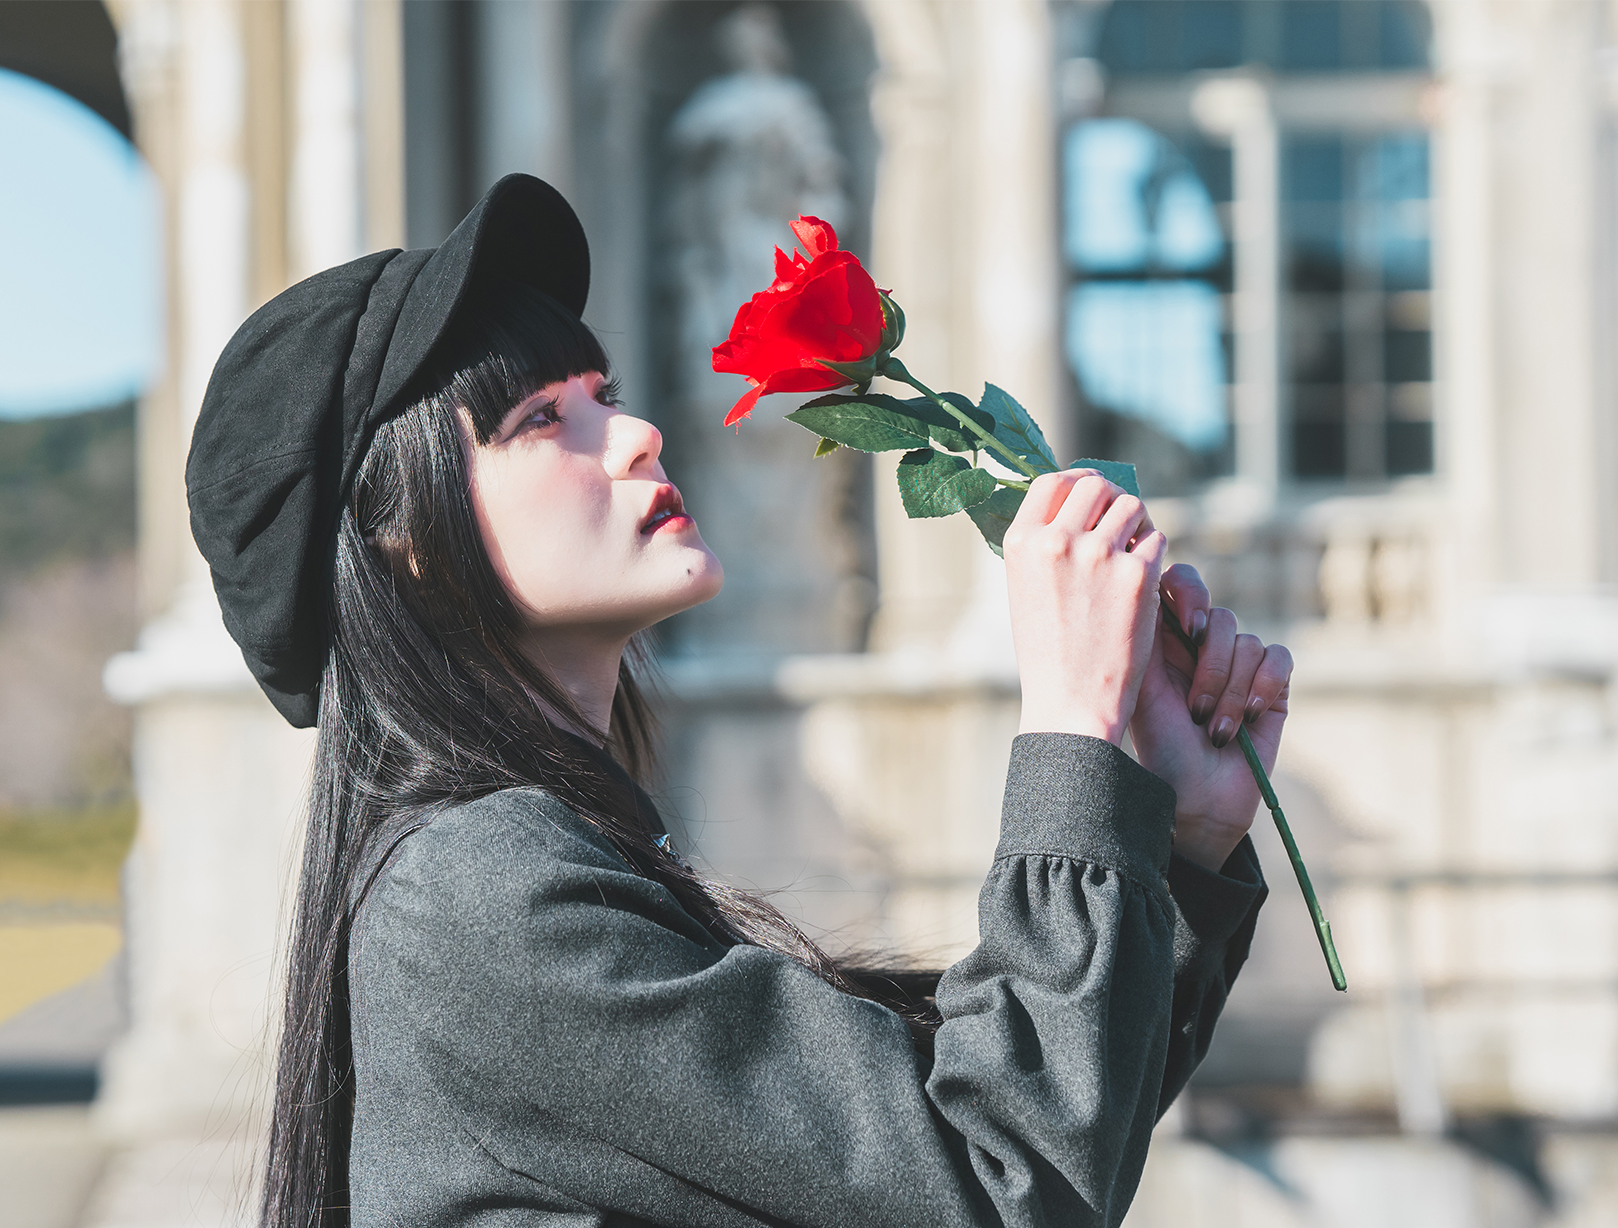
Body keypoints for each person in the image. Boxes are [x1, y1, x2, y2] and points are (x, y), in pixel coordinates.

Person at [187, 175, 1281, 1228]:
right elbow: (999, 1182)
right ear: (402, 539)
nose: (637, 435)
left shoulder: (540, 856)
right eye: (542, 417)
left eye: (605, 395)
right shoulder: (480, 892)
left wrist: (1185, 842)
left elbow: (1024, 1143)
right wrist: (1075, 728)